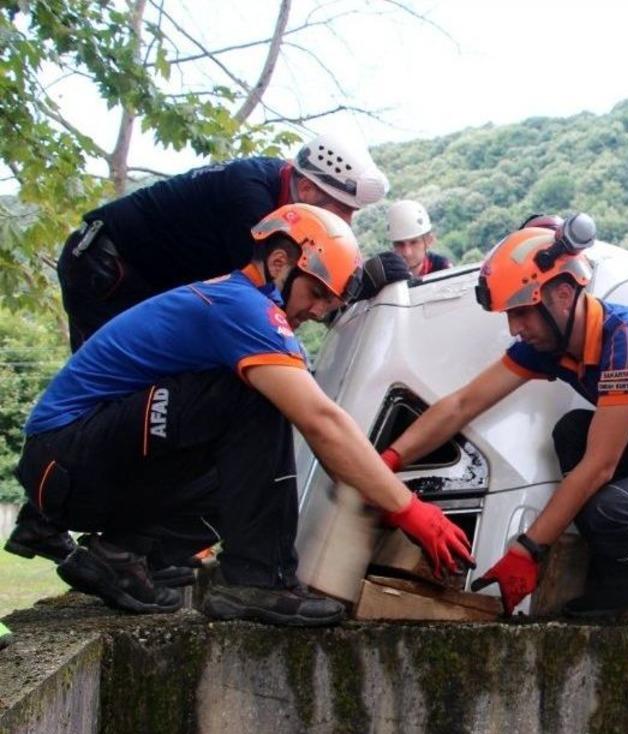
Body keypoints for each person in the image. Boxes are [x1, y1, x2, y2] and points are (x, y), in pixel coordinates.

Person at [15, 204, 473, 626]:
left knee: (245, 481)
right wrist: (409, 509)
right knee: (264, 398)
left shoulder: (248, 309)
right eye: (314, 293)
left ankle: (120, 555)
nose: (315, 311)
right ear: (279, 263)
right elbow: (321, 422)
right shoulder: (242, 309)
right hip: (63, 456)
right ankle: (259, 579)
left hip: (76, 469)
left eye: (326, 302)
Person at [4, 133, 389, 570]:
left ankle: (120, 541)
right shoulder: (251, 199)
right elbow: (269, 309)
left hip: (141, 276)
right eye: (341, 211)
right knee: (129, 397)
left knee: (198, 403)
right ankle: (58, 513)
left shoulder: (271, 196)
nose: (346, 223)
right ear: (307, 190)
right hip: (107, 267)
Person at [380, 217, 628, 619]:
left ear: (562, 292)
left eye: (522, 312)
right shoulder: (552, 346)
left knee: (608, 509)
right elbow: (463, 404)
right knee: (574, 432)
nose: (515, 328)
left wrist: (528, 551)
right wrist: (385, 465)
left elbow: (599, 468)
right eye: (509, 316)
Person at [386, 199, 454, 278]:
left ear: (429, 241)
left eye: (414, 242)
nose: (407, 252)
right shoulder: (386, 275)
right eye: (400, 244)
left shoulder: (442, 268)